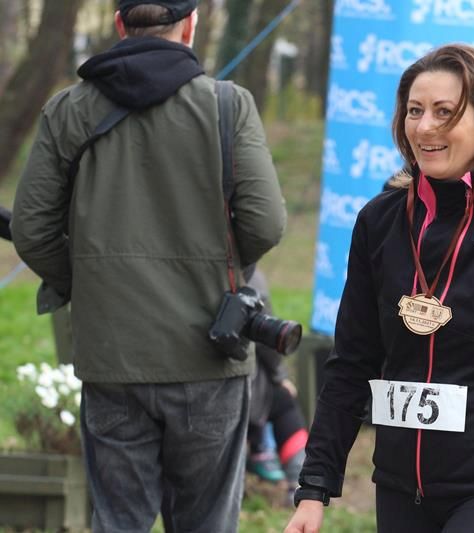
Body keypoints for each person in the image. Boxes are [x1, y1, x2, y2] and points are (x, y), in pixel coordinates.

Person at [286, 44, 474, 533]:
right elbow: (351, 362)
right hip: (399, 484)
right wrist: (314, 487)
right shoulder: (379, 221)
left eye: (445, 112)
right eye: (414, 111)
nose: (425, 127)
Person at [11, 1, 286, 531]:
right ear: (191, 25)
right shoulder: (228, 106)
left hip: (112, 356)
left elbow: (32, 230)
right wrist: (221, 274)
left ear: (120, 24)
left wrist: (90, 283)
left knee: (118, 521)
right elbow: (265, 223)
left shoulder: (68, 110)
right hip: (210, 352)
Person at [246, 268, 308, 504]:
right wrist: (280, 376)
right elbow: (266, 337)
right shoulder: (247, 272)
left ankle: (260, 448)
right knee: (283, 400)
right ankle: (300, 484)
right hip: (233, 385)